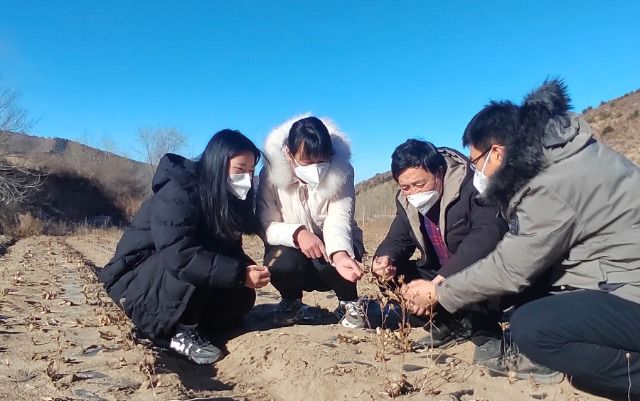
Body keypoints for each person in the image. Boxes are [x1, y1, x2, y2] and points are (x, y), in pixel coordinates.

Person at [402, 78, 640, 395]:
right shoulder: (573, 156)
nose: (476, 172)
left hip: (628, 290)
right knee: (529, 294)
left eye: (475, 162)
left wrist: (439, 292)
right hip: (613, 272)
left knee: (532, 327)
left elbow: (510, 270)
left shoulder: (553, 184)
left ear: (496, 152)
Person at [99, 130, 270, 365]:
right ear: (217, 164)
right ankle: (180, 334)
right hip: (136, 280)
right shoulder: (179, 192)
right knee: (203, 260)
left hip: (170, 274)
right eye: (240, 170)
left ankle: (192, 323)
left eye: (251, 172)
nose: (247, 179)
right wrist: (239, 274)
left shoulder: (223, 197)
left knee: (241, 297)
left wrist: (248, 269)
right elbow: (181, 255)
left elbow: (229, 248)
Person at [372, 139, 508, 348]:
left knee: (481, 277)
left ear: (440, 172)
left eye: (420, 184)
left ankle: (486, 333)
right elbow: (398, 238)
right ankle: (448, 324)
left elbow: (487, 235)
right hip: (437, 271)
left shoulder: (474, 184)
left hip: (477, 271)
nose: (414, 193)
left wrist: (438, 285)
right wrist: (384, 260)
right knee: (395, 276)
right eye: (406, 187)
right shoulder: (405, 202)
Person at [257, 114, 365, 328]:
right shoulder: (269, 175)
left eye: (322, 161)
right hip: (293, 248)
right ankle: (291, 301)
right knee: (279, 263)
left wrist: (340, 253)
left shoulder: (343, 172)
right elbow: (266, 224)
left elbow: (340, 217)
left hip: (331, 244)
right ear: (289, 153)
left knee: (334, 260)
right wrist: (298, 234)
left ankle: (349, 302)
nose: (316, 167)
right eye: (307, 161)